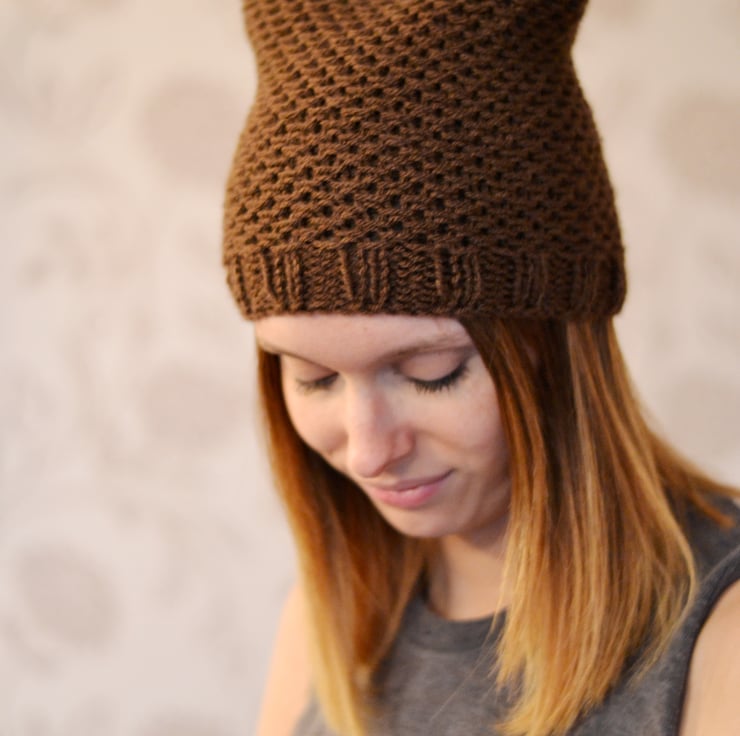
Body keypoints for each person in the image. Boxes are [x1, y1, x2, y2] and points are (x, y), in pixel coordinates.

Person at [221, 2, 740, 735]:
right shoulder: (333, 619)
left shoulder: (718, 628)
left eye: (431, 372)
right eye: (313, 378)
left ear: (555, 344)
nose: (368, 451)